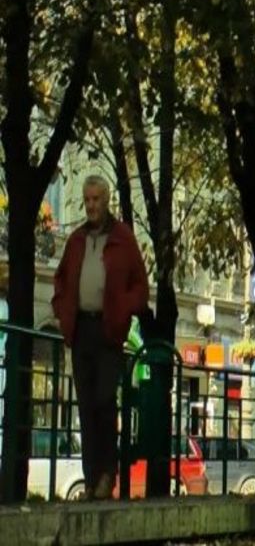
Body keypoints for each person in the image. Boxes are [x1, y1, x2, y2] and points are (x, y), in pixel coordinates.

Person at [52, 175, 149, 499]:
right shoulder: (77, 240)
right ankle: (91, 478)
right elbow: (62, 279)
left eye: (97, 199)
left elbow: (141, 287)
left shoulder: (123, 239)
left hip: (108, 330)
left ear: (106, 200)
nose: (92, 205)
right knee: (86, 406)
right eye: (87, 199)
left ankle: (108, 473)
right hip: (81, 330)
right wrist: (62, 311)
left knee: (105, 402)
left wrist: (123, 309)